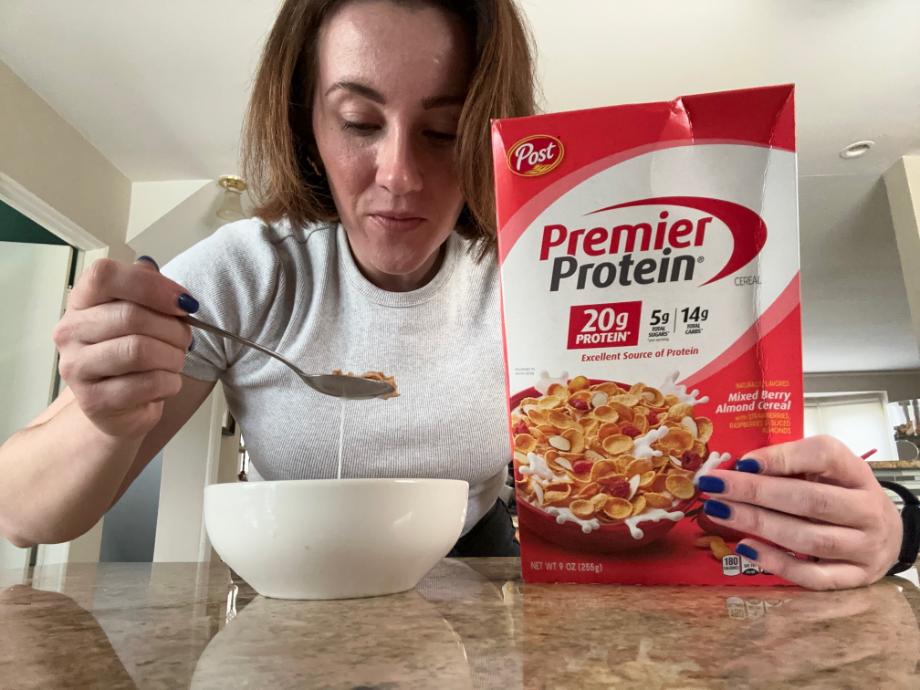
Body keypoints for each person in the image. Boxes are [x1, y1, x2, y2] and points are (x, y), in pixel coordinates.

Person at [0, 0, 908, 585]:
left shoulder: (536, 274)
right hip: (291, 587)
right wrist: (104, 415)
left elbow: (690, 466)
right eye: (359, 121)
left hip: (477, 571)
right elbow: (24, 511)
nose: (397, 174)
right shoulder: (247, 269)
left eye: (442, 132)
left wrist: (888, 530)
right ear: (304, 120)